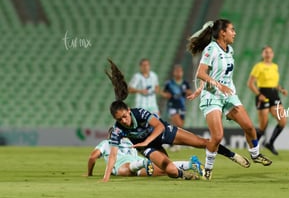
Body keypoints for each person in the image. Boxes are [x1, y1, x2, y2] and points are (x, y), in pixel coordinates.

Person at [103, 59, 251, 182]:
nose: (123, 120)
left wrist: (147, 141)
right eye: (119, 119)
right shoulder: (117, 130)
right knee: (169, 170)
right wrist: (106, 178)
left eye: (124, 116)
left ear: (128, 110)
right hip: (147, 146)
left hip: (162, 132)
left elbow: (159, 126)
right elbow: (113, 155)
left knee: (203, 143)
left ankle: (233, 156)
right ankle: (185, 175)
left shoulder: (139, 113)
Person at [187, 19, 272, 180]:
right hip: (212, 97)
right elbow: (201, 73)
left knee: (249, 127)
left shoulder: (229, 50)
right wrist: (212, 87)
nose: (235, 33)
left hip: (228, 95)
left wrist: (202, 87)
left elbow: (214, 73)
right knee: (217, 137)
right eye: (232, 30)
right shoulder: (211, 49)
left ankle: (255, 154)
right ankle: (208, 169)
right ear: (222, 33)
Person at [87, 136, 204, 178]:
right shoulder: (129, 140)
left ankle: (144, 163)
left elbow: (92, 157)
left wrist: (89, 173)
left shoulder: (106, 143)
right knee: (164, 169)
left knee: (123, 170)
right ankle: (191, 164)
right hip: (139, 160)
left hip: (126, 165)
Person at [247, 46, 288, 155]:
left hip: (274, 94)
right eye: (266, 52)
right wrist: (258, 94)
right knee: (263, 126)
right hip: (263, 94)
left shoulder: (275, 66)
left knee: (283, 121)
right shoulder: (258, 66)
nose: (268, 54)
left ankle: (270, 143)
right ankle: (253, 147)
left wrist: (281, 89)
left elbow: (274, 83)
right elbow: (250, 84)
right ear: (262, 54)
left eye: (270, 52)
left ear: (273, 54)